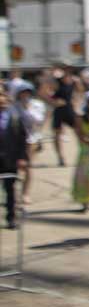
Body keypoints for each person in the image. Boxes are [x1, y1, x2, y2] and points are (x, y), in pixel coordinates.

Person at [0, 90, 29, 229]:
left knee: (10, 189)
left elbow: (22, 139)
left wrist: (22, 158)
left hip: (10, 159)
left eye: (3, 97)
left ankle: (11, 217)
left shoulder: (15, 117)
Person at [13, 84, 44, 205]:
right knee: (14, 168)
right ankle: (13, 193)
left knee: (28, 167)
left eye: (27, 92)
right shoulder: (14, 106)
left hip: (31, 139)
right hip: (15, 140)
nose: (25, 95)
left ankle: (25, 193)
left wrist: (28, 108)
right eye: (23, 92)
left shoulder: (36, 105)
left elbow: (39, 120)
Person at [48, 68, 80, 166]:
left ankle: (83, 153)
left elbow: (80, 91)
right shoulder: (55, 81)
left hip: (69, 109)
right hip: (58, 110)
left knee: (79, 131)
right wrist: (52, 101)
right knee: (57, 134)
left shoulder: (73, 81)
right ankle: (60, 157)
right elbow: (43, 92)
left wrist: (76, 101)